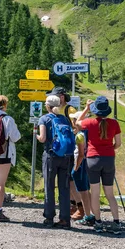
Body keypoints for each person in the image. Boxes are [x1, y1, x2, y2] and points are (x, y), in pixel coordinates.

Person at [76, 96, 122, 234]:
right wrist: (109, 149)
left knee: (95, 193)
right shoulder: (114, 123)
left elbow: (77, 123)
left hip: (92, 159)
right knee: (110, 194)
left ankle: (98, 222)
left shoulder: (89, 123)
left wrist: (86, 108)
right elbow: (118, 144)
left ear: (96, 110)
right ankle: (116, 223)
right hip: (108, 158)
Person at [37, 95, 73, 229]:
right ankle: (64, 219)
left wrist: (36, 135)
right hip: (66, 157)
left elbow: (42, 138)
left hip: (51, 156)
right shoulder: (64, 119)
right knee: (64, 188)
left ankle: (49, 217)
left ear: (47, 106)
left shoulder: (44, 119)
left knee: (49, 186)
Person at [46, 87, 81, 213]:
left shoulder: (69, 110)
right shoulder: (56, 110)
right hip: (58, 149)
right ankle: (73, 205)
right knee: (66, 180)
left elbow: (77, 126)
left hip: (69, 149)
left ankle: (79, 206)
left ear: (61, 97)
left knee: (70, 179)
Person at [69, 110, 95, 225]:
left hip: (81, 164)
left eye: (74, 119)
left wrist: (75, 167)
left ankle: (88, 215)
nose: (73, 121)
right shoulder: (90, 133)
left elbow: (80, 154)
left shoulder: (80, 135)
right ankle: (94, 214)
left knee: (83, 191)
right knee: (87, 191)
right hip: (90, 163)